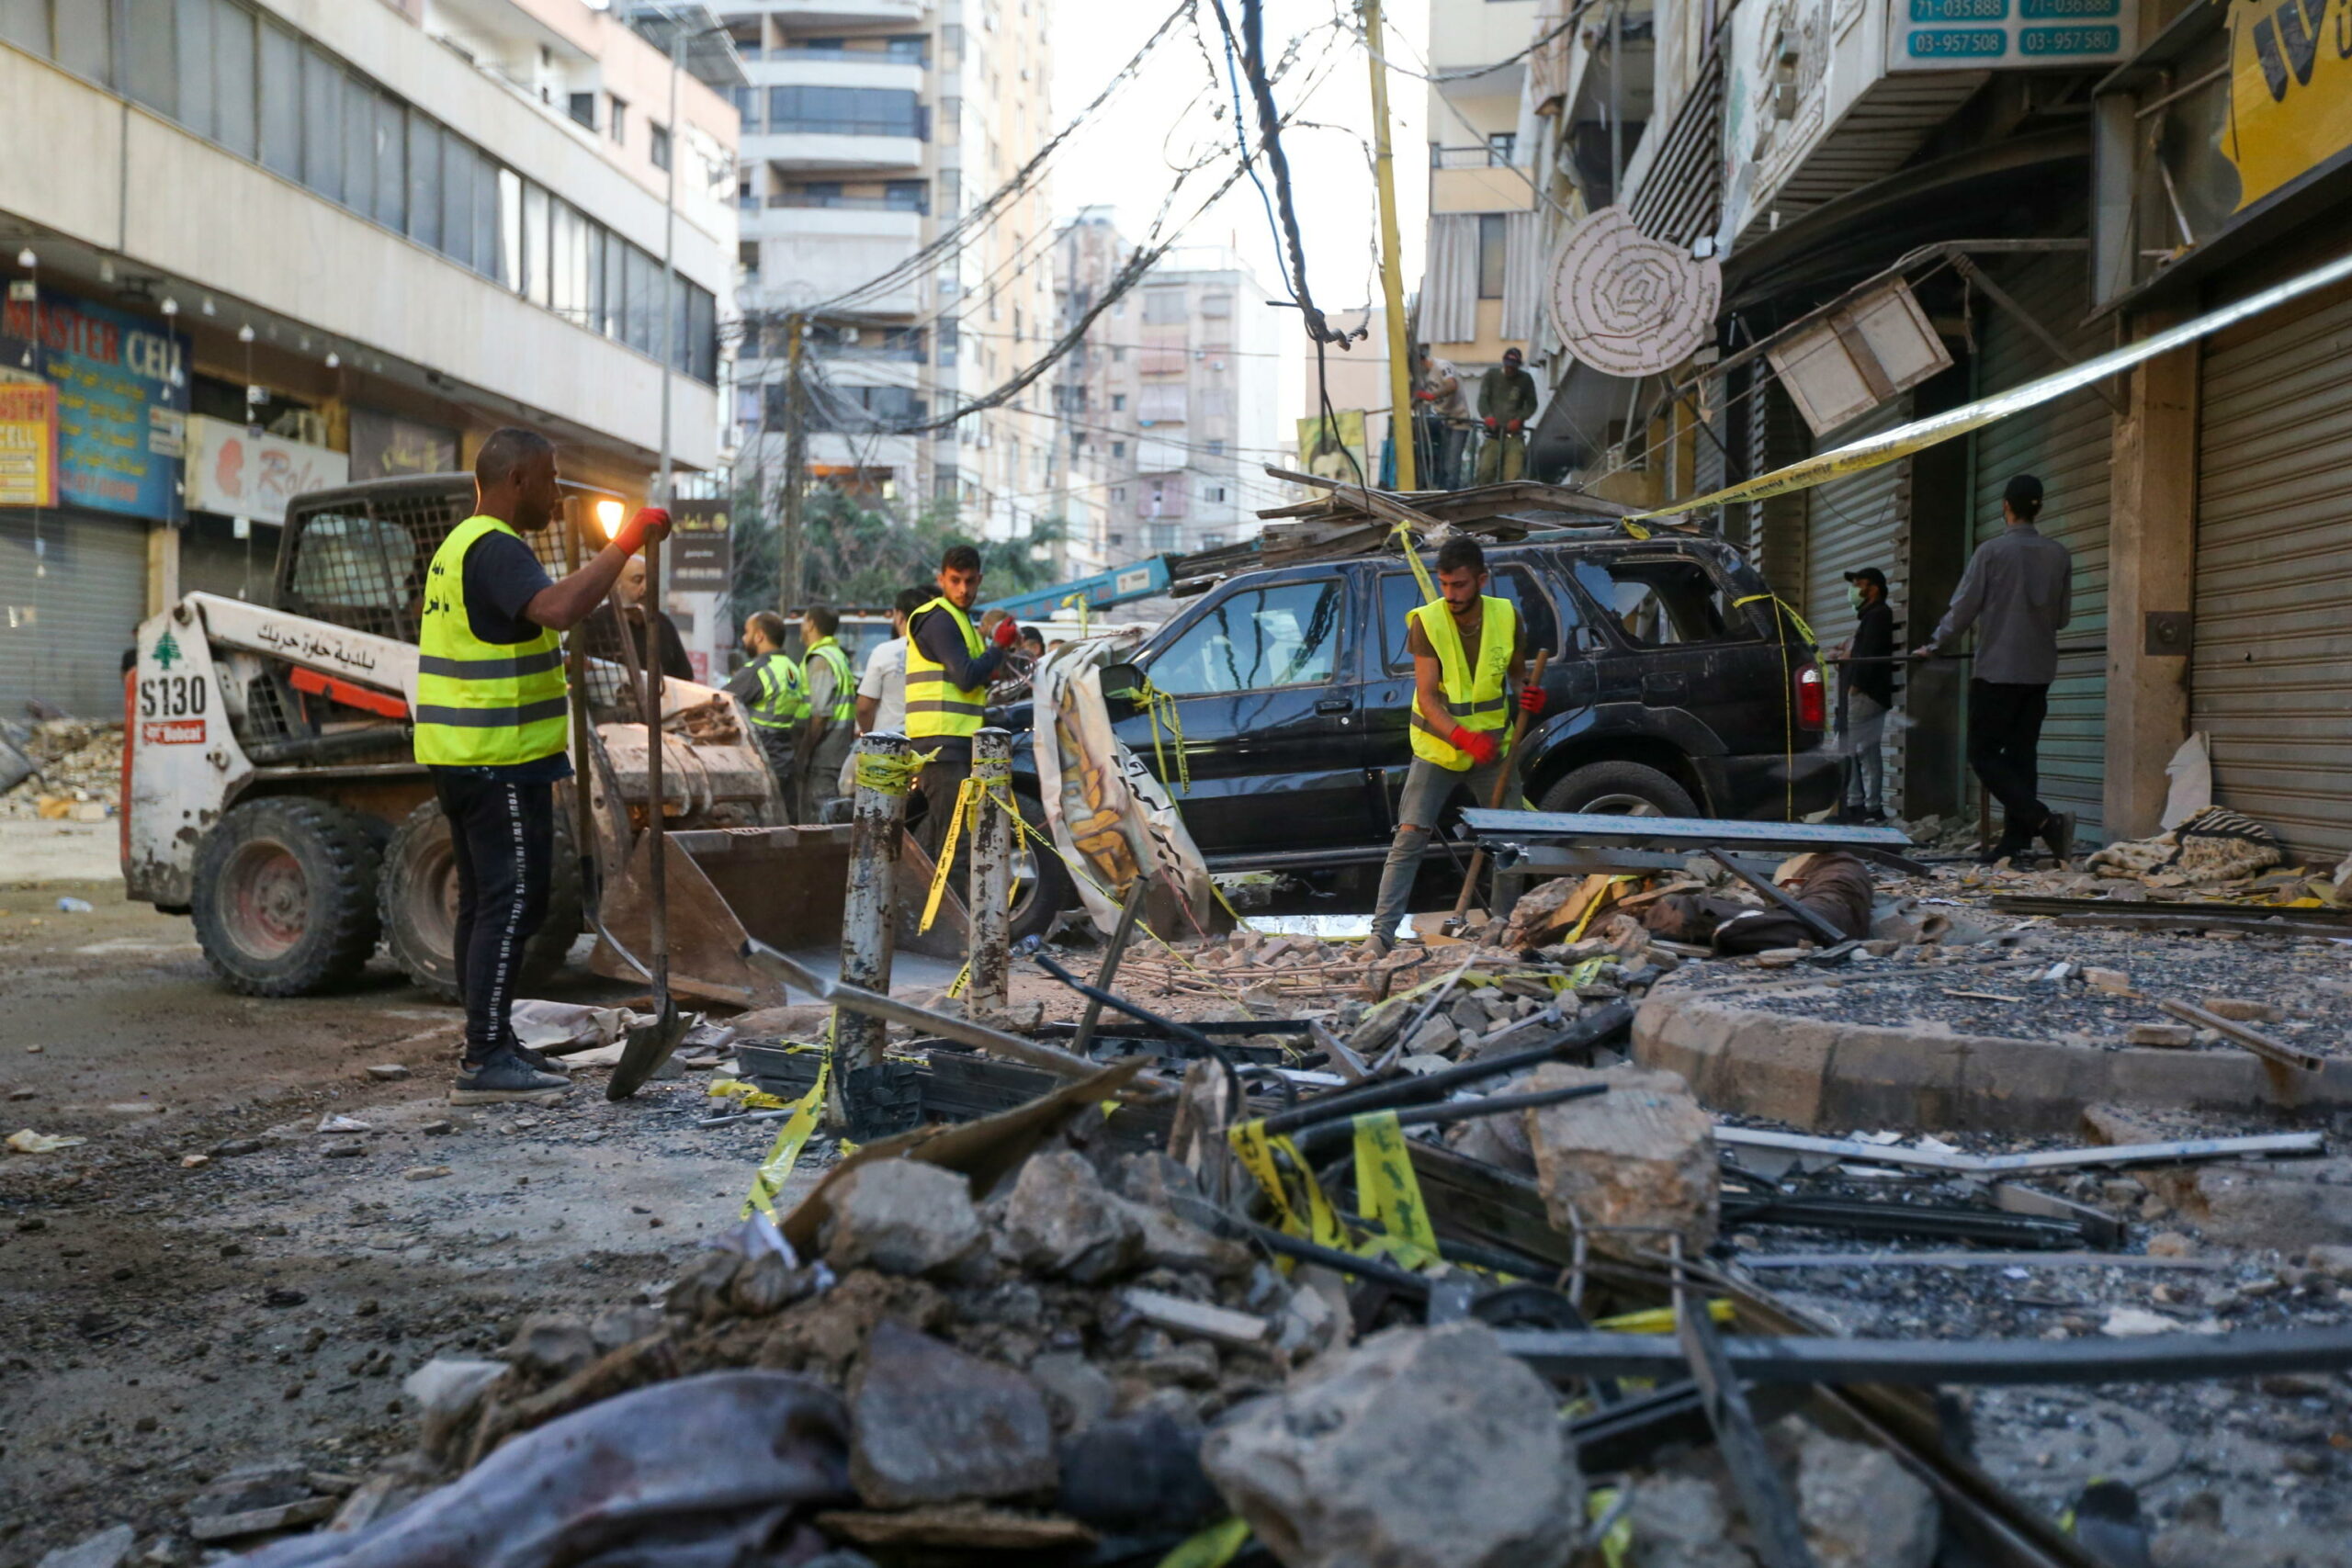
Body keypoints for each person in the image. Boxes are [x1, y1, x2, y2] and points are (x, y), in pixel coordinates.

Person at [412, 427, 669, 1104]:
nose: (558, 493)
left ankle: (489, 1040)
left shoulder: (457, 547)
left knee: (484, 902)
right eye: (552, 478)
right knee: (511, 902)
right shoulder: (495, 547)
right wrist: (625, 545)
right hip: (497, 760)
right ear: (517, 479)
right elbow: (557, 608)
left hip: (466, 757)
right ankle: (486, 1057)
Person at [1365, 537, 1541, 958]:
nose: (1452, 595)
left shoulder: (1506, 616)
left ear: (1482, 579)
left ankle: (1501, 929)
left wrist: (1529, 692)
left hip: (1493, 748)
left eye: (1460, 585)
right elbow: (1427, 697)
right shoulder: (1428, 622)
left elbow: (1517, 675)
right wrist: (1463, 738)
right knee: (1410, 837)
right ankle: (1381, 935)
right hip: (1440, 749)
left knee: (1510, 840)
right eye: (1445, 584)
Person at [1914, 473, 2075, 863]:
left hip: (1997, 670)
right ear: (2040, 506)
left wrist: (1935, 645)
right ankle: (2015, 844)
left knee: (1984, 753)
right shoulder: (2059, 554)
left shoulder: (1990, 552)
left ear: (2006, 506)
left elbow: (1964, 609)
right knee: (2023, 756)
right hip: (2038, 671)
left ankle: (2040, 820)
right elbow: (2063, 618)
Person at [904, 545, 1018, 860]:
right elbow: (966, 677)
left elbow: (971, 677)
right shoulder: (940, 620)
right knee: (956, 848)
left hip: (948, 745)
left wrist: (993, 663)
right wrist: (998, 647)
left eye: (969, 581)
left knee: (939, 843)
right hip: (942, 747)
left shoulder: (960, 620)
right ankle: (951, 910)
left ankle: (929, 907)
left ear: (979, 579)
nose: (963, 589)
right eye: (955, 580)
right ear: (941, 579)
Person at [836, 585, 932, 798]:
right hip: (928, 747)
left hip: (887, 749)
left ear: (899, 616)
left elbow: (863, 707)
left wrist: (872, 735)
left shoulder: (884, 652)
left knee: (874, 808)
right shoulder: (939, 652)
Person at [724, 611, 804, 796]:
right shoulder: (792, 668)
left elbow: (721, 702)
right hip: (785, 757)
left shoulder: (757, 670)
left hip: (760, 756)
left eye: (747, 632)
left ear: (759, 636)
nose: (744, 638)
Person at [1838, 567, 1894, 823]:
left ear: (1873, 589)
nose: (1854, 590)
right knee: (1854, 748)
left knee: (1865, 750)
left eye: (1859, 584)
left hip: (1867, 694)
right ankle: (1857, 804)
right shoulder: (1870, 617)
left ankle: (1870, 807)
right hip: (1865, 694)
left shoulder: (1879, 615)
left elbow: (1870, 655)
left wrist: (1855, 687)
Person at [583, 555, 693, 683]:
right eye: (637, 580)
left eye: (650, 580)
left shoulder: (663, 624)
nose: (646, 587)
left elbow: (685, 678)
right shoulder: (594, 624)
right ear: (617, 585)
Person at [795, 604, 856, 822]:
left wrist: (803, 753)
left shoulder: (820, 659)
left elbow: (820, 714)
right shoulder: (837, 656)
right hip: (838, 750)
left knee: (819, 821)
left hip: (824, 754)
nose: (802, 626)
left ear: (810, 623)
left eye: (803, 621)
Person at [1475, 346, 1539, 483]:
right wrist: (1488, 417)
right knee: (1484, 471)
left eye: (1513, 366)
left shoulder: (1525, 379)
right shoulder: (1491, 375)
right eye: (1508, 365)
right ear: (1503, 362)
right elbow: (1482, 399)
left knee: (1513, 476)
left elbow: (1532, 404)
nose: (1510, 369)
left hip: (1514, 436)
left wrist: (1520, 419)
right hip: (1493, 434)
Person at [1412, 344, 1470, 489]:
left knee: (1452, 463)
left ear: (1421, 360)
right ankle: (1441, 490)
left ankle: (1451, 494)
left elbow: (1452, 385)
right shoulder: (1423, 376)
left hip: (1459, 420)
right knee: (1442, 462)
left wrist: (1432, 396)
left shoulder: (1442, 366)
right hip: (1442, 420)